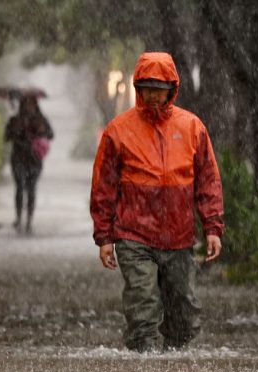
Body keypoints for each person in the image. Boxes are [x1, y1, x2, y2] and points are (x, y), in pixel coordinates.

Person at [90, 52, 224, 353]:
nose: (153, 95)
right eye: (147, 87)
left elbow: (207, 180)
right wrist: (104, 237)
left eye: (159, 88)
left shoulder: (192, 128)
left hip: (179, 237)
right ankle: (144, 363)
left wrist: (212, 227)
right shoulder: (118, 131)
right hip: (133, 235)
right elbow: (104, 187)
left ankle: (173, 359)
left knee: (185, 313)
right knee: (142, 305)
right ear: (138, 88)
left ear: (171, 89)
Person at [4, 95, 53, 233]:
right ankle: (19, 218)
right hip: (18, 158)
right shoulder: (15, 120)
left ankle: (29, 219)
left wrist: (41, 130)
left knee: (31, 189)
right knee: (19, 187)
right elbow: (6, 137)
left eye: (31, 104)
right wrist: (15, 130)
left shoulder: (40, 119)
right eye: (25, 103)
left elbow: (50, 134)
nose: (28, 107)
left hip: (34, 161)